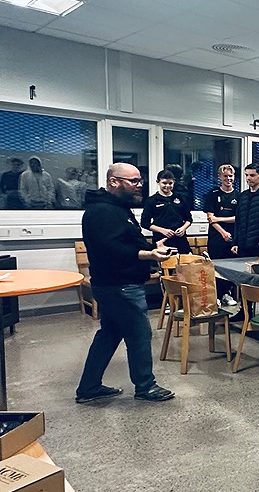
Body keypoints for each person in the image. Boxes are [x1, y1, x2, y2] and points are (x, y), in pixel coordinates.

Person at [76, 163, 175, 404]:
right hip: (119, 285)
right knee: (139, 334)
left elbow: (126, 241)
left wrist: (152, 247)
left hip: (116, 283)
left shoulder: (117, 208)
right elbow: (111, 249)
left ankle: (89, 387)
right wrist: (148, 254)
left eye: (140, 180)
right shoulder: (101, 211)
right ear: (114, 182)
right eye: (133, 181)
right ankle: (145, 386)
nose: (139, 185)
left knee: (109, 334)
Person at [231, 163, 259, 257]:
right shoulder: (242, 196)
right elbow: (238, 221)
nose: (248, 178)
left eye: (252, 175)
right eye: (246, 175)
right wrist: (235, 242)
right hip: (242, 246)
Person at [141, 170, 192, 254]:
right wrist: (163, 230)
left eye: (170, 183)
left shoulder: (181, 198)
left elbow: (189, 219)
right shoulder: (152, 200)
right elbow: (144, 223)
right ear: (158, 182)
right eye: (164, 183)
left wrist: (183, 228)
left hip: (180, 240)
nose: (167, 186)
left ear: (174, 182)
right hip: (161, 240)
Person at [204, 164, 239, 260]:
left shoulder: (239, 196)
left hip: (233, 238)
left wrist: (218, 219)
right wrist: (223, 233)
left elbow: (238, 218)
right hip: (216, 238)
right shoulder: (213, 194)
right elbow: (211, 218)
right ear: (219, 177)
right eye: (225, 176)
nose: (228, 178)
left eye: (230, 176)